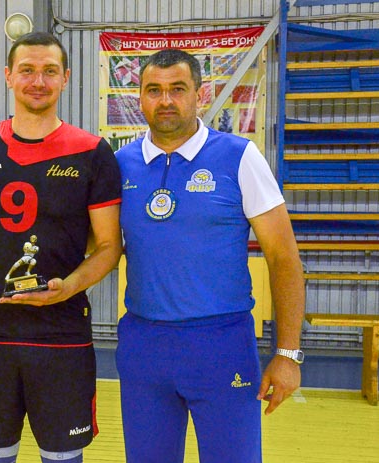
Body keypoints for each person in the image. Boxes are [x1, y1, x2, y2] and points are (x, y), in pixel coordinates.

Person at [115, 48, 305, 462]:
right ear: (140, 98)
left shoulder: (239, 157)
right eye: (154, 90)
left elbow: (284, 258)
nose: (166, 100)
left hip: (221, 347)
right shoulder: (119, 165)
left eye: (177, 89)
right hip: (144, 348)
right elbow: (99, 250)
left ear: (200, 94)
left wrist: (287, 354)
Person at [0, 32, 122, 463]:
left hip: (61, 335)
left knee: (62, 456)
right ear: (8, 76)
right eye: (27, 70)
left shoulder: (93, 152)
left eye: (48, 71)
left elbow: (109, 246)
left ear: (66, 78)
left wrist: (68, 286)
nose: (37, 80)